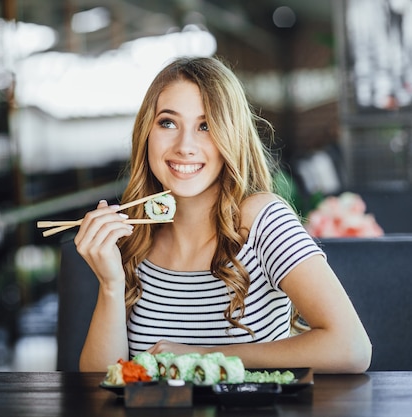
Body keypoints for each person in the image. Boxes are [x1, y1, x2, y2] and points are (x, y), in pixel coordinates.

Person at [73, 56, 372, 374]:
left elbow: (351, 347)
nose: (185, 145)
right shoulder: (133, 237)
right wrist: (110, 284)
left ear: (232, 135)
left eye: (206, 125)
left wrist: (204, 354)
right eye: (168, 123)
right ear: (146, 133)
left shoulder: (262, 220)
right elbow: (99, 385)